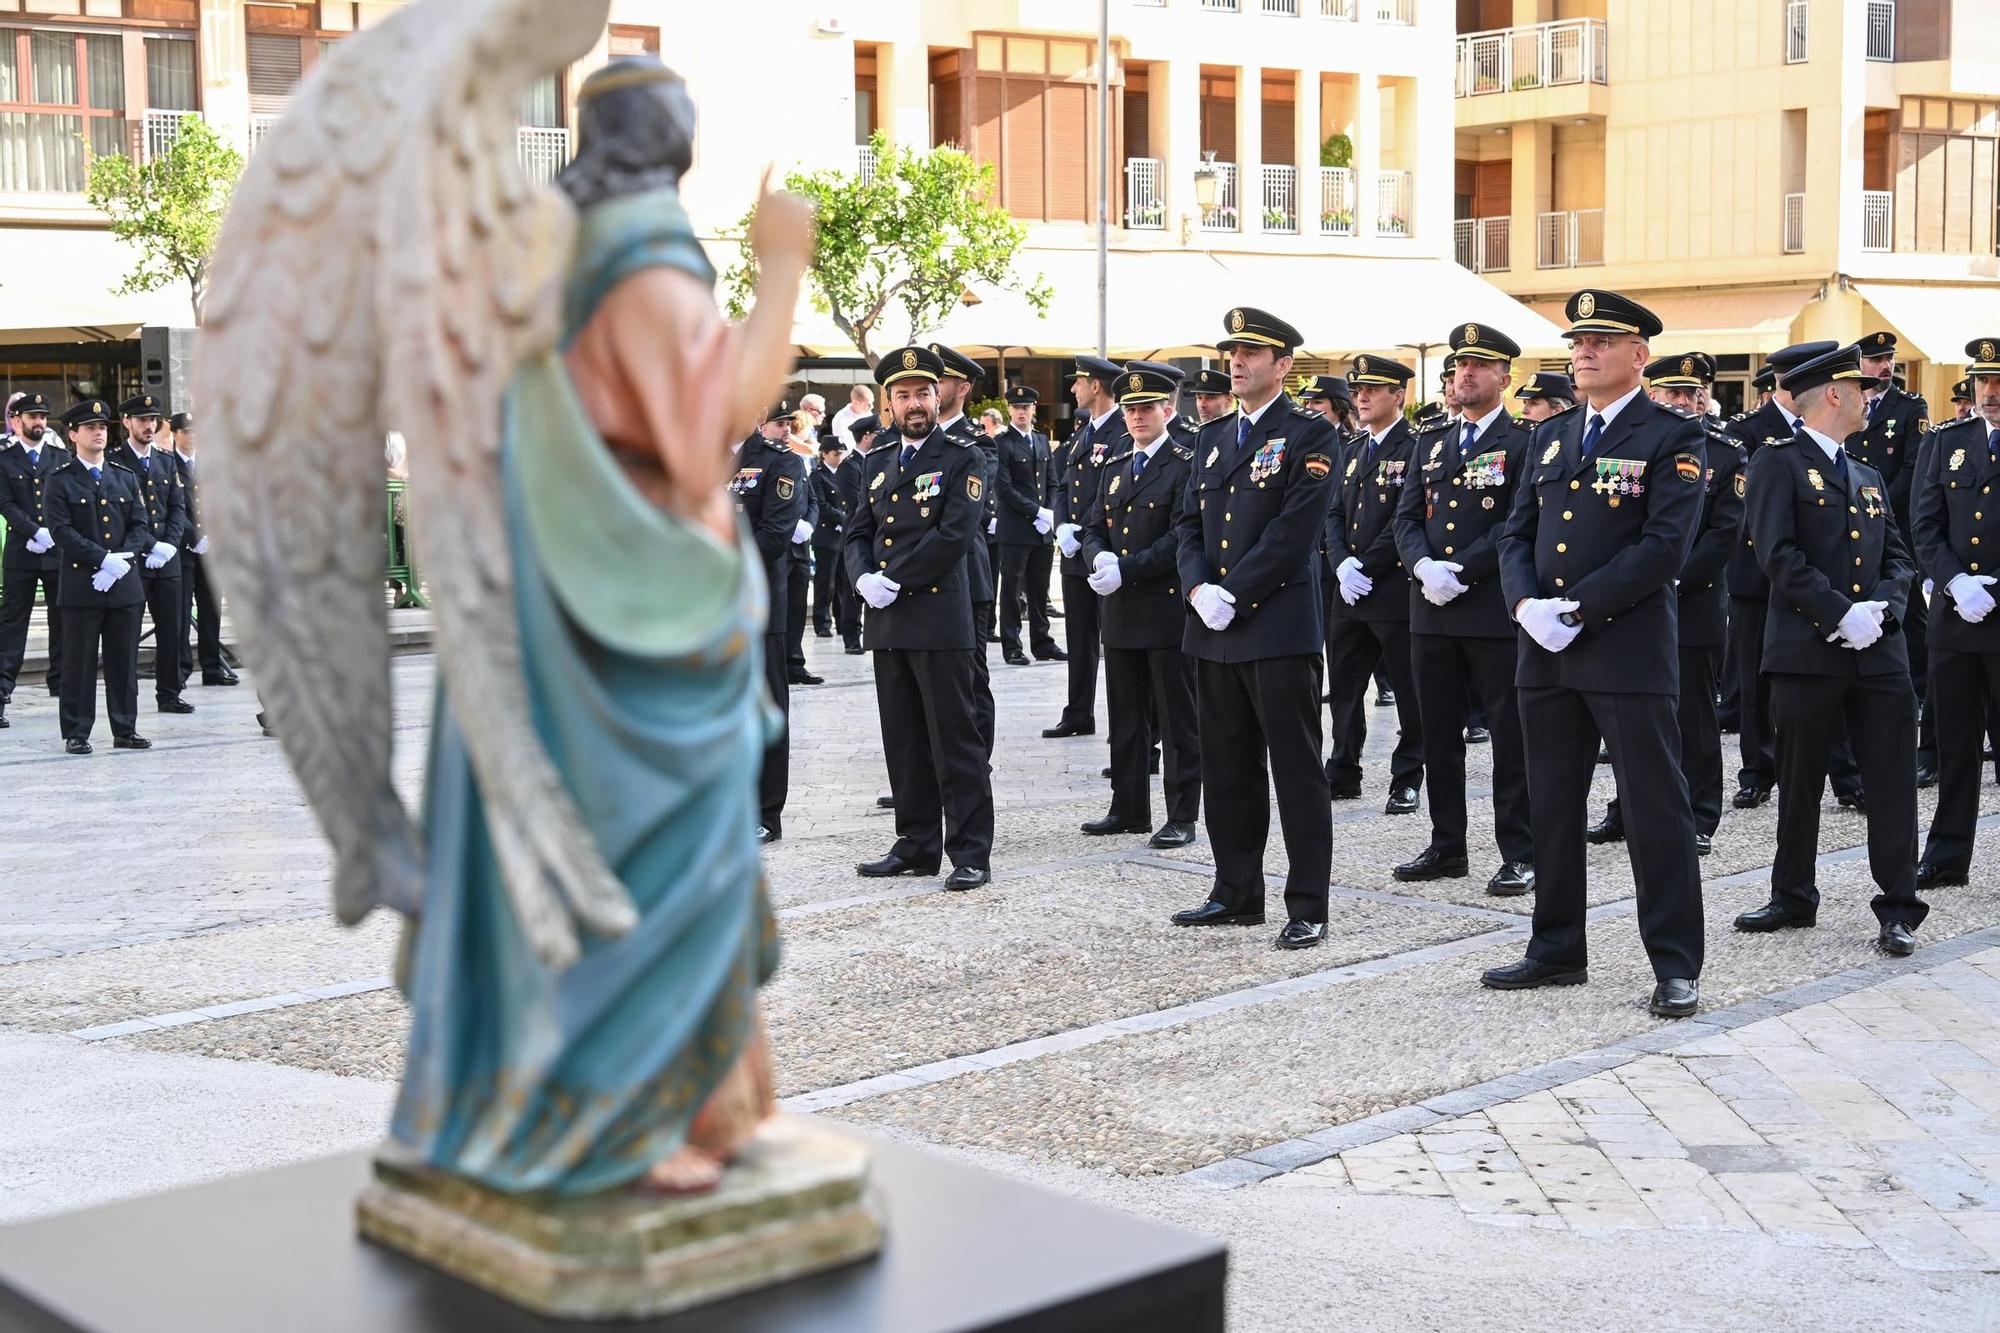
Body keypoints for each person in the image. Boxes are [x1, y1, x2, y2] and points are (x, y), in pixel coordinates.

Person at [1485, 288, 1707, 1019]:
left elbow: (1663, 547)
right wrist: (1525, 606)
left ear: (1639, 355)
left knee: (1654, 809)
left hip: (1625, 651)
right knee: (1549, 802)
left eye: (1602, 342)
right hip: (1546, 649)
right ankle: (1555, 946)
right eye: (1578, 342)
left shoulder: (1672, 436)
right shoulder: (1549, 436)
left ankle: (1675, 962)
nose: (1583, 352)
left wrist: (1578, 608)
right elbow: (1515, 533)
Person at [1738, 343, 1924, 957]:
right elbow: (1777, 555)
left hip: (1878, 651)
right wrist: (1838, 612)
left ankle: (1898, 906)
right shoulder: (1777, 464)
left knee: (1892, 779)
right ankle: (1793, 895)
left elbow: (1898, 555)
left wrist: (1883, 610)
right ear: (1836, 394)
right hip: (1807, 650)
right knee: (1799, 779)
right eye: (1860, 388)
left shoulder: (1866, 474)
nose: (1872, 397)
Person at [1170, 307, 1337, 949]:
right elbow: (1188, 525)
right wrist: (1196, 588)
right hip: (1212, 628)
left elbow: (1293, 534)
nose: (1236, 362)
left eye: (1252, 353)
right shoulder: (1211, 437)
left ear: (1284, 365)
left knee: (1295, 770)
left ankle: (1308, 904)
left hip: (1276, 626)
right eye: (1232, 352)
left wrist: (1232, 593)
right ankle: (1235, 890)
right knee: (1227, 765)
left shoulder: (1310, 435)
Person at [1391, 322, 1536, 896]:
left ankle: (1518, 850)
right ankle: (1447, 843)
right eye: (1458, 367)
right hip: (1430, 609)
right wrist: (1424, 567)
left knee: (1509, 735)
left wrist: (1463, 570)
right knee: (1437, 733)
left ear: (1505, 377)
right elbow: (1405, 518)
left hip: (1489, 612)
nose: (1465, 375)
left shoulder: (1525, 443)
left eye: (1479, 366)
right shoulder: (1429, 442)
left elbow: (1517, 523)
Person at [845, 345, 993, 891]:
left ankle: (971, 850)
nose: (914, 403)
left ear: (938, 397)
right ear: (888, 403)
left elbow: (954, 535)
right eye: (903, 395)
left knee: (954, 738)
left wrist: (894, 579)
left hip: (937, 615)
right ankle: (915, 843)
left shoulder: (962, 457)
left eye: (923, 393)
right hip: (886, 619)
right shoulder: (877, 460)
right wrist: (862, 578)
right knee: (902, 738)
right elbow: (857, 531)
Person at [1587, 353, 1744, 857]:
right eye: (1671, 392)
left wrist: (1668, 580)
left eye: (1689, 393)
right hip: (1635, 608)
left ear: (1702, 398)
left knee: (1695, 719)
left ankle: (1699, 814)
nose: (1680, 400)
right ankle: (1624, 809)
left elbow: (1723, 536)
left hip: (1692, 605)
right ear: (1653, 394)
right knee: (1629, 719)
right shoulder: (1635, 445)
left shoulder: (1724, 452)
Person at [1725, 341, 1859, 811]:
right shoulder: (1748, 432)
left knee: (1831, 671)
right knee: (1755, 681)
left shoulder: (1834, 427)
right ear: (1784, 382)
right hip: (1757, 574)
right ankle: (1758, 771)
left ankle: (1845, 774)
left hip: (1816, 575)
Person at [1079, 363, 1200, 849]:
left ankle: (1182, 813)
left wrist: (1125, 568)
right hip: (1122, 611)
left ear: (1167, 410)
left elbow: (1181, 536)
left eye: (1147, 407)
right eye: (1130, 408)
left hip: (1166, 609)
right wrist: (1097, 554)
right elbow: (1091, 525)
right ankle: (1127, 806)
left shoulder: (1184, 463)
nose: (1137, 416)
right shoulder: (1113, 467)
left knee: (1176, 719)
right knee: (1126, 717)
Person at [1912, 338, 2000, 891]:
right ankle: (1947, 856)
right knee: (1954, 744)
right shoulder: (1949, 442)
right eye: (1984, 381)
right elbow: (1924, 524)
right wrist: (1955, 581)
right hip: (1956, 620)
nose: (1991, 393)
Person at [1324, 354, 1425, 814]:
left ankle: (1407, 778)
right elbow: (1333, 514)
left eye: (1373, 390)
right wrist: (1341, 563)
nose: (1361, 397)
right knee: (1345, 687)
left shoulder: (1417, 446)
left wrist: (1365, 565)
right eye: (1358, 391)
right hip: (1348, 592)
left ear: (1398, 395)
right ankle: (1344, 768)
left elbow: (1406, 518)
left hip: (1394, 590)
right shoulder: (1351, 449)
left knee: (1409, 691)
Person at [44, 399, 152, 753]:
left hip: (123, 583)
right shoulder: (59, 480)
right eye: (90, 427)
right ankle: (76, 730)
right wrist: (101, 560)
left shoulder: (124, 476)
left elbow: (139, 523)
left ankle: (125, 727)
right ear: (72, 434)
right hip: (82, 585)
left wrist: (122, 559)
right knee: (79, 662)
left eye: (103, 426)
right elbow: (61, 531)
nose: (99, 432)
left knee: (124, 661)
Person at [734, 402, 809, 844]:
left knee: (765, 708)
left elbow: (775, 535)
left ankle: (765, 812)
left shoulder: (781, 462)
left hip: (756, 606)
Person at [1046, 355, 1127, 739]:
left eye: (1078, 382)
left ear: (1095, 386)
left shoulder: (1122, 433)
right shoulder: (1082, 434)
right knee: (1079, 637)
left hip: (1104, 551)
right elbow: (1064, 484)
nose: (1073, 389)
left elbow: (1112, 488)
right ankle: (1078, 712)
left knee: (1114, 641)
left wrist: (1084, 527)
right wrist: (1061, 523)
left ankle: (1124, 727)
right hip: (1074, 552)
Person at [929, 342, 998, 756]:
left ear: (963, 388)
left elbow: (965, 513)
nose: (934, 390)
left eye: (943, 381)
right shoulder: (904, 441)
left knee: (969, 679)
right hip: (915, 582)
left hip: (965, 577)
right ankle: (927, 768)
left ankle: (975, 763)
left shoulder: (978, 443)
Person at [107, 393, 192, 716]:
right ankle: (128, 702)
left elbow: (176, 507)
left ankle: (169, 693)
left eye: (153, 420)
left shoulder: (165, 460)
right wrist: (148, 546)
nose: (149, 425)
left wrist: (169, 544)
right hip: (133, 560)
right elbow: (121, 516)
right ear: (126, 422)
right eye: (142, 420)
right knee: (127, 633)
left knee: (173, 629)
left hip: (167, 561)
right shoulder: (116, 461)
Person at [0, 390, 66, 725]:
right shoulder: (5, 457)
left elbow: (66, 499)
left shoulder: (59, 455)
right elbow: (6, 502)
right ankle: (2, 688)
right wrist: (32, 532)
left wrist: (51, 533)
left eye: (42, 416)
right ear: (16, 421)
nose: (38, 422)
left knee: (62, 618)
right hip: (20, 550)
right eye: (32, 417)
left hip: (56, 549)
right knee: (13, 621)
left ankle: (61, 682)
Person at [994, 384, 1062, 667]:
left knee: (1039, 589)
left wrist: (1050, 512)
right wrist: (1036, 512)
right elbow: (1004, 488)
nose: (1021, 412)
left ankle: (1042, 642)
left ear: (1034, 409)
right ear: (1009, 410)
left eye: (1026, 407)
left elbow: (1053, 482)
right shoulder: (1002, 442)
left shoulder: (1042, 440)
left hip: (1042, 530)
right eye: (1016, 407)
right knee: (1011, 589)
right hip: (1016, 529)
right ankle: (1012, 644)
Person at [780, 409, 822, 686]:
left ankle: (795, 663)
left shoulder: (798, 461)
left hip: (801, 546)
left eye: (787, 425)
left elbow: (812, 499)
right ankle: (777, 664)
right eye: (780, 425)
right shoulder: (759, 460)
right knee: (778, 608)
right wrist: (789, 526)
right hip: (779, 546)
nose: (786, 430)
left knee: (796, 607)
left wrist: (808, 523)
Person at [832, 414, 878, 654]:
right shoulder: (849, 466)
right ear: (867, 436)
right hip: (856, 532)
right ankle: (851, 636)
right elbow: (857, 502)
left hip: (877, 532)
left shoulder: (876, 460)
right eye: (877, 434)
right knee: (852, 587)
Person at [809, 434, 849, 640]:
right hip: (827, 533)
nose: (839, 457)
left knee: (842, 580)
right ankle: (822, 622)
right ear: (824, 454)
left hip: (843, 534)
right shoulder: (817, 476)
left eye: (841, 453)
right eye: (835, 454)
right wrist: (843, 518)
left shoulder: (844, 473)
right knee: (826, 582)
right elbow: (821, 504)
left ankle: (842, 621)